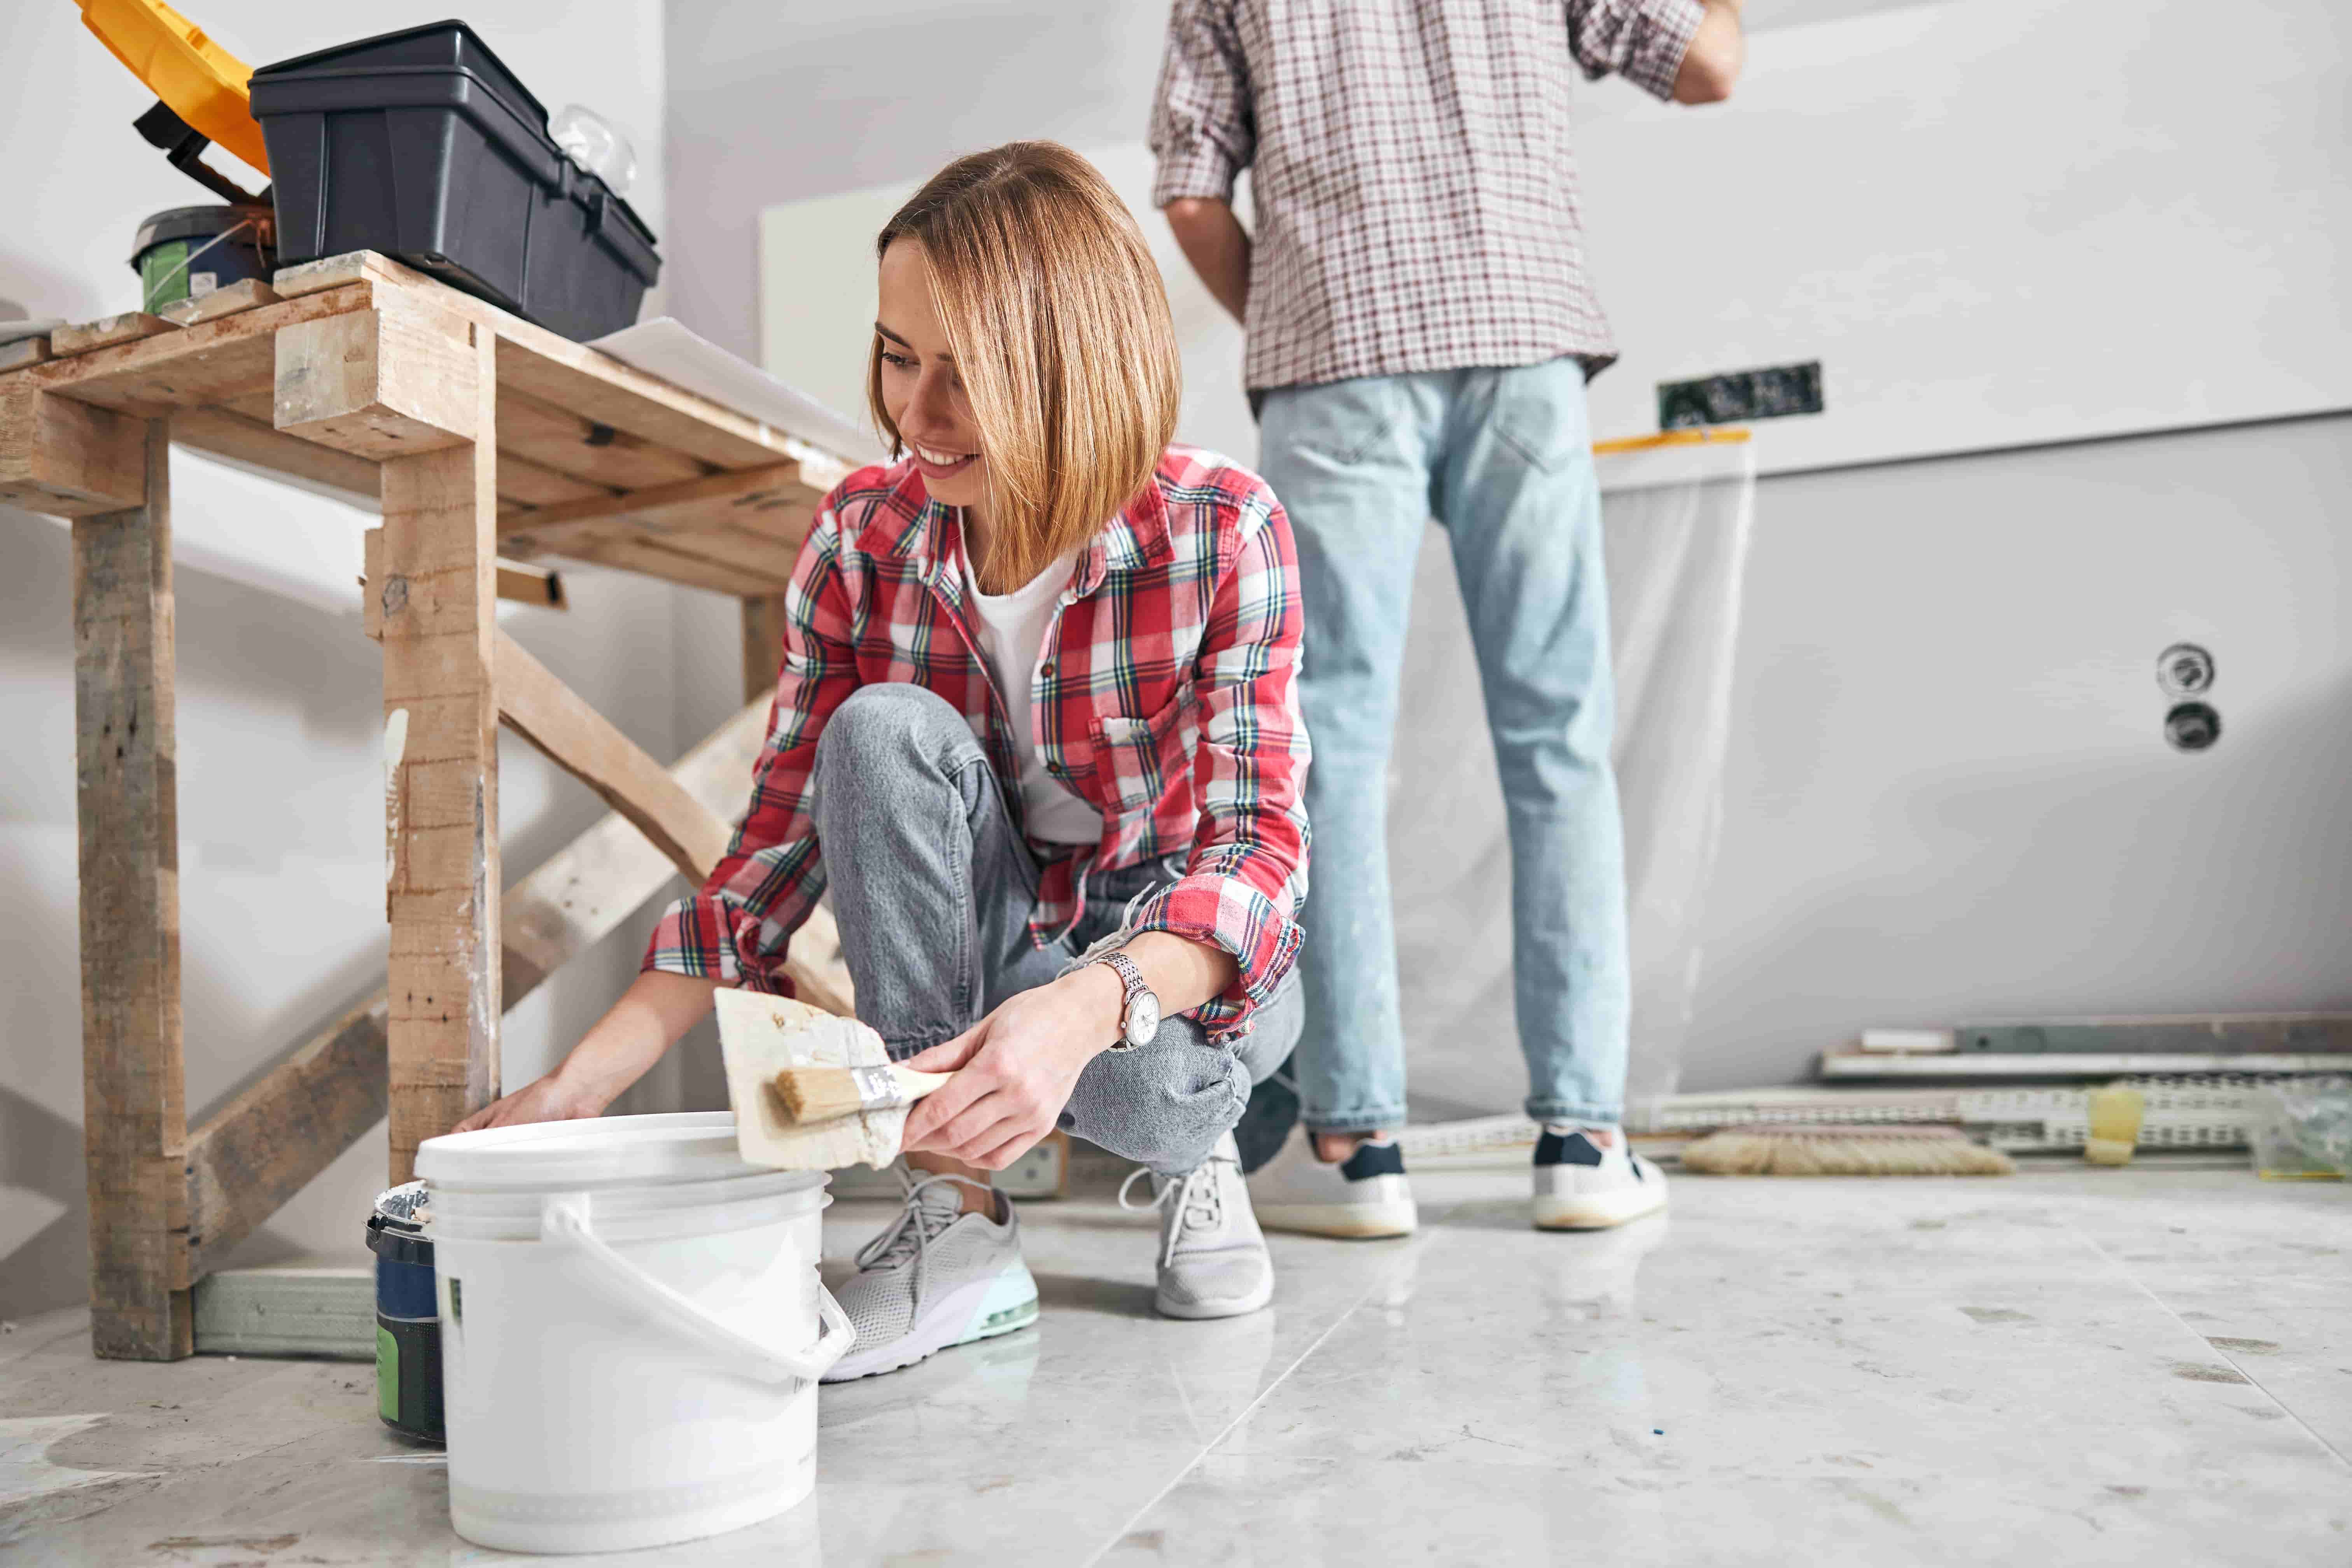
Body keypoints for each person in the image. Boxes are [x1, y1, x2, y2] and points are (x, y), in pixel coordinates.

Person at [458, 142, 1312, 1377]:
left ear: (1071, 367)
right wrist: (581, 1085)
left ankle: (1199, 1151)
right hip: (1009, 941)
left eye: (964, 374)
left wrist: (1079, 1013)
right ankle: (954, 1213)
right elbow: (772, 852)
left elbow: (1254, 855)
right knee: (877, 731)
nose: (914, 416)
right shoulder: (866, 533)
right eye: (899, 357)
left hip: (1188, 961)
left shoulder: (1225, 529)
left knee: (1131, 1093)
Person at [1149, 0, 1745, 1235]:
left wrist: (1301, 309)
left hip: (1332, 354)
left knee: (1329, 755)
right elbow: (1709, 65)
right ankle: (1584, 1142)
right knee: (1559, 737)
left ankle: (1356, 1149)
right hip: (1518, 335)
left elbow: (1194, 192)